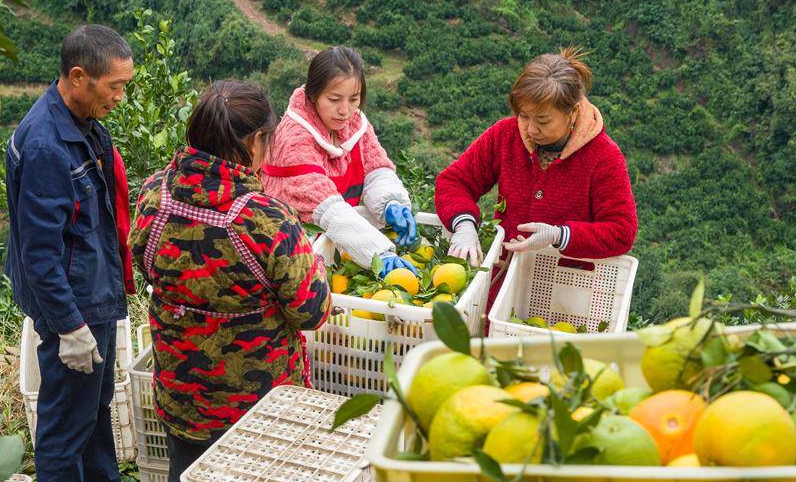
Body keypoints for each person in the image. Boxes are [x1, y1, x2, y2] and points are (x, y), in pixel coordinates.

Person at [131, 79, 331, 482]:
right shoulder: (265, 219)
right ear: (256, 142)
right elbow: (312, 311)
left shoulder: (154, 195)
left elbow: (144, 264)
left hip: (183, 392)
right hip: (258, 406)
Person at [5, 24, 141, 482]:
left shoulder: (81, 123)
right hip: (75, 302)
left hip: (94, 287)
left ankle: (101, 479)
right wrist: (68, 326)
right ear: (79, 77)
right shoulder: (46, 146)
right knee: (65, 416)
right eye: (115, 86)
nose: (120, 97)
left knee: (97, 394)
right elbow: (40, 252)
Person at [434, 47, 637, 295]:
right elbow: (454, 182)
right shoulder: (505, 136)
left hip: (568, 292)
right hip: (502, 283)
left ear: (572, 112)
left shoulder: (603, 156)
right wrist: (463, 223)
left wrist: (559, 235)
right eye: (524, 115)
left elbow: (621, 231)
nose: (530, 129)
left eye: (542, 121)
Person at [261, 45, 420, 276]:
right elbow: (328, 209)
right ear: (313, 94)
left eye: (354, 99)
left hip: (339, 249)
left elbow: (376, 167)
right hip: (293, 257)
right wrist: (379, 253)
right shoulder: (293, 139)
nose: (345, 110)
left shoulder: (355, 125)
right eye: (334, 99)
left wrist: (391, 203)